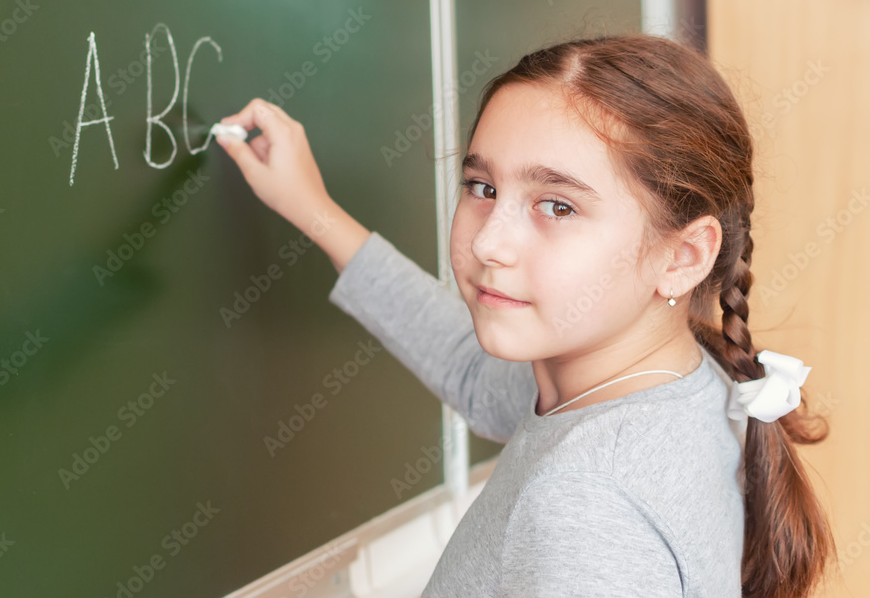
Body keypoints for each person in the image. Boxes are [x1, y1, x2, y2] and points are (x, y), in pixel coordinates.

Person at [214, 33, 836, 598]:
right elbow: (471, 370)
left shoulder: (584, 504)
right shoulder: (674, 382)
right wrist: (314, 211)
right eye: (482, 188)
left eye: (557, 206)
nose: (489, 243)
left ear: (682, 256)